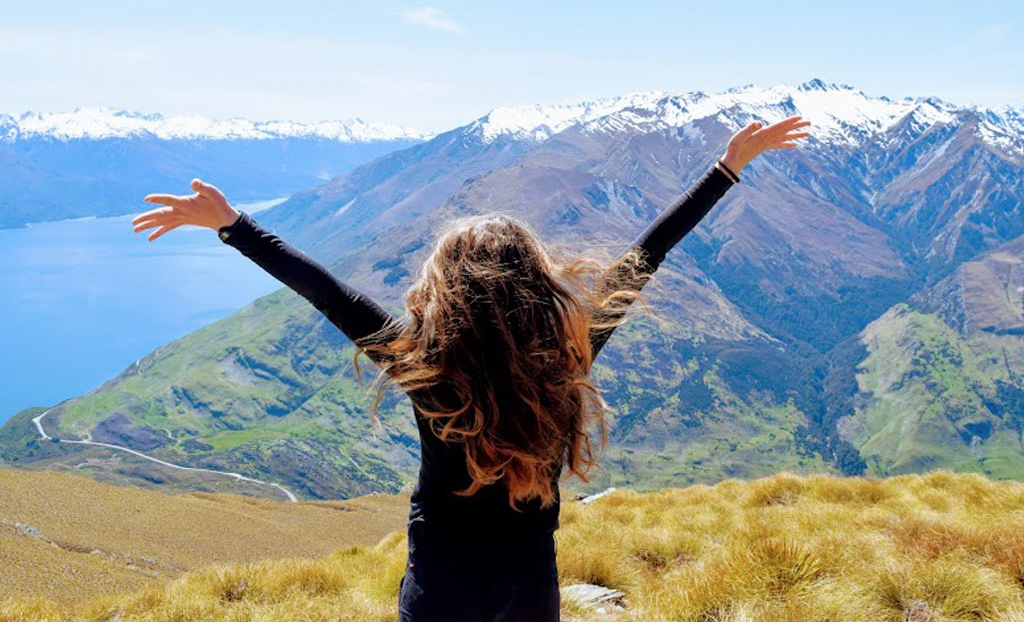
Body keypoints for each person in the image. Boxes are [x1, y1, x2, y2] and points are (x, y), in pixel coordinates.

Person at [132, 114, 811, 621]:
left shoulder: (425, 367)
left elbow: (329, 294)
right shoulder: (569, 350)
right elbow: (645, 256)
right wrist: (727, 169)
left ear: (448, 289)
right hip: (531, 593)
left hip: (442, 593)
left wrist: (233, 226)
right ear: (533, 281)